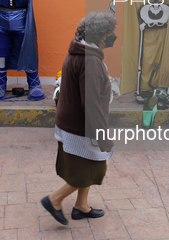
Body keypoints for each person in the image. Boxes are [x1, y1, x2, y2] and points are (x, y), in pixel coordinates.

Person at [41, 12, 116, 225]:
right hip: (80, 125)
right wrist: (104, 138)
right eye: (110, 34)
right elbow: (90, 105)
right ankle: (54, 200)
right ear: (100, 36)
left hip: (73, 121)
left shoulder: (79, 49)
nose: (112, 37)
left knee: (88, 164)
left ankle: (81, 206)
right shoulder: (90, 60)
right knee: (93, 169)